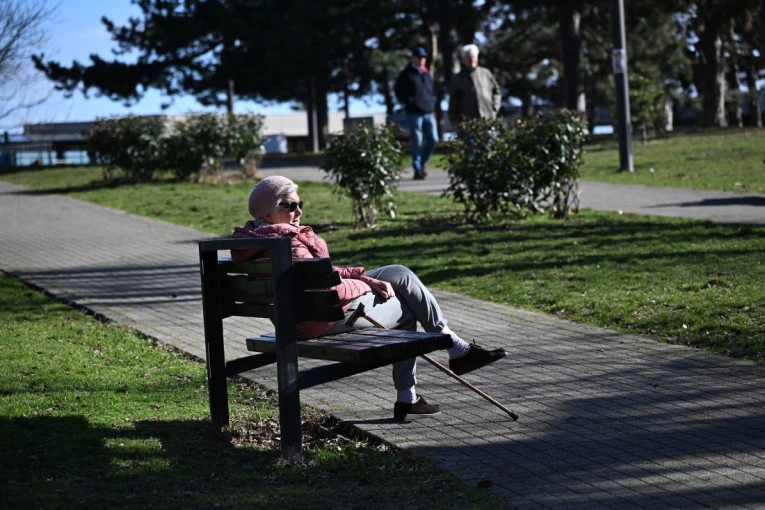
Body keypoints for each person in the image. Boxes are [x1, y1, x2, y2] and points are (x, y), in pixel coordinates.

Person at [231, 176, 507, 422]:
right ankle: (418, 385)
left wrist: (364, 277)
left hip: (304, 315)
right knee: (407, 309)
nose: (299, 211)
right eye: (290, 206)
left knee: (398, 273)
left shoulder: (260, 240)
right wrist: (363, 285)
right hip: (321, 319)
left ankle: (453, 348)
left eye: (299, 204)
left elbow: (320, 274)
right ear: (269, 214)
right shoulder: (288, 243)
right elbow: (328, 290)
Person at [394, 46, 438, 180]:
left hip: (428, 111)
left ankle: (422, 162)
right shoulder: (406, 74)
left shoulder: (426, 73)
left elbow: (431, 91)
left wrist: (432, 102)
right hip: (414, 113)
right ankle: (417, 170)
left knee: (433, 139)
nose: (422, 60)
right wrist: (410, 102)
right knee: (417, 141)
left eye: (423, 57)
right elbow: (399, 92)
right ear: (413, 58)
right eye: (419, 57)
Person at [448, 44, 502, 125]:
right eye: (468, 57)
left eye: (473, 56)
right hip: (468, 123)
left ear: (477, 57)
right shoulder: (458, 78)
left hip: (488, 119)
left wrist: (495, 108)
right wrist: (455, 122)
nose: (471, 59)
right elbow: (453, 102)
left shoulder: (486, 73)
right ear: (463, 60)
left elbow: (497, 92)